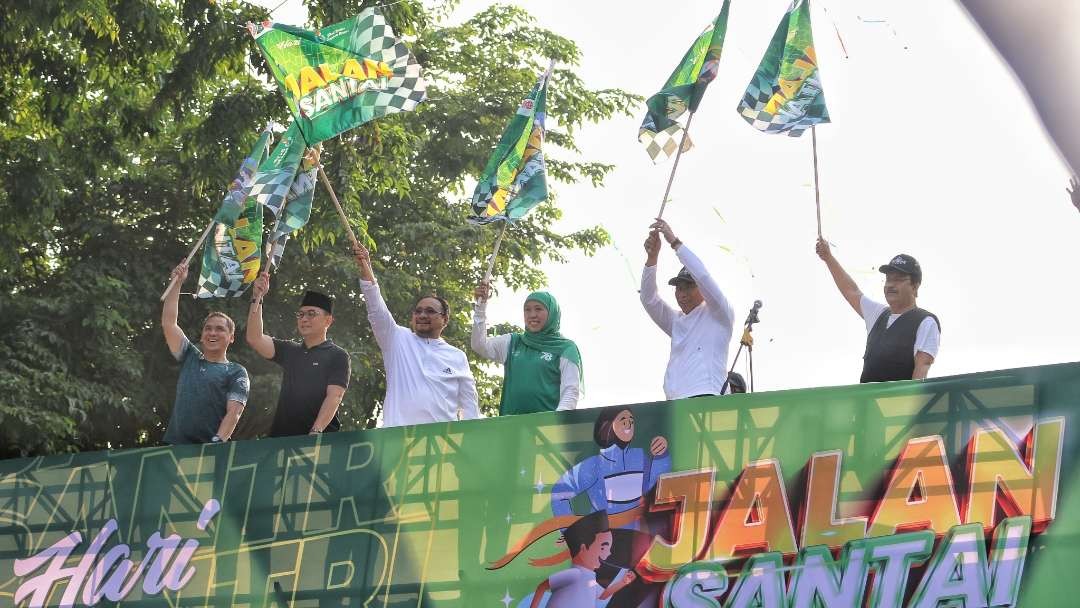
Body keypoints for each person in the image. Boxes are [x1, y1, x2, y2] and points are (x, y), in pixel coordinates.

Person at [352, 243, 479, 426]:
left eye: (429, 311)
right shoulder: (396, 339)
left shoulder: (457, 356)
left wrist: (470, 438)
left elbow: (469, 405)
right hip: (397, 442)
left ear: (445, 319)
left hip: (443, 445)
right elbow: (375, 306)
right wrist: (365, 265)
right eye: (418, 311)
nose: (422, 315)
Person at [815, 238, 941, 382]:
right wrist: (828, 258)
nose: (890, 285)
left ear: (915, 286)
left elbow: (920, 377)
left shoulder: (925, 322)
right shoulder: (878, 314)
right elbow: (851, 291)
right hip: (866, 404)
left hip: (897, 403)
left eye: (899, 279)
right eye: (888, 279)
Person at [640, 218, 736, 399]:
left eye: (689, 287)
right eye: (679, 288)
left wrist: (674, 242)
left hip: (706, 397)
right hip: (675, 403)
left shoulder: (720, 313)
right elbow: (648, 299)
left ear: (701, 288)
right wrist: (652, 258)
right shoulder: (676, 321)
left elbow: (703, 276)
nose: (682, 294)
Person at [246, 274, 350, 437]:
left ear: (328, 320)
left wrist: (316, 431)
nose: (304, 319)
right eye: (300, 314)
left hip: (319, 441)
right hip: (281, 440)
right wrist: (256, 297)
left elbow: (335, 396)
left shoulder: (338, 355)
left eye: (311, 314)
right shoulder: (290, 350)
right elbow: (255, 338)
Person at [160, 261, 249, 444]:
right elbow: (169, 323)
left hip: (210, 451)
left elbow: (235, 411)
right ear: (201, 336)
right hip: (173, 449)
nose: (212, 333)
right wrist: (177, 283)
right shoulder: (189, 357)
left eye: (219, 329)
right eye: (208, 329)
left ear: (231, 338)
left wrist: (218, 441)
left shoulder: (236, 371)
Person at [471, 284, 582, 414]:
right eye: (527, 310)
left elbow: (571, 391)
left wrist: (556, 422)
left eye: (538, 309)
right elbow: (479, 345)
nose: (532, 315)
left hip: (546, 428)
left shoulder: (566, 348)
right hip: (511, 427)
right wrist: (481, 306)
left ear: (552, 313)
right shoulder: (513, 342)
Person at [528, 510, 637, 608]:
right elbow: (542, 587)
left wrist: (623, 582)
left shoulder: (590, 577)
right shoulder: (574, 574)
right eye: (603, 547)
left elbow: (602, 596)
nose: (608, 553)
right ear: (583, 548)